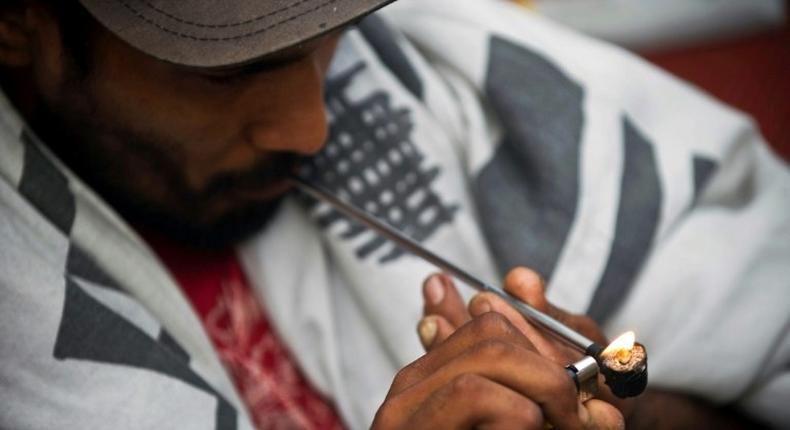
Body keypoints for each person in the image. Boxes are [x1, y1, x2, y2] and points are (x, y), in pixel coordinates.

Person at [1, 0, 788, 429]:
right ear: (21, 24)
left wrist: (631, 412)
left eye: (328, 35)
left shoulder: (451, 74)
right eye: (228, 73)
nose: (310, 128)